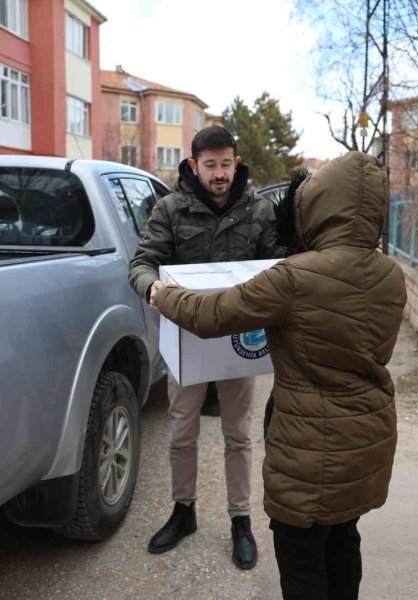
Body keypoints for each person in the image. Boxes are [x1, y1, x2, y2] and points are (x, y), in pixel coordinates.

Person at [151, 151, 407, 599]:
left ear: (321, 207)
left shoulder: (293, 277)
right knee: (343, 537)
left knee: (302, 556)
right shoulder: (390, 274)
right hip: (367, 440)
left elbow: (212, 314)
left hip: (307, 448)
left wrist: (164, 295)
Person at [128, 125, 280, 569]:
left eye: (226, 164)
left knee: (239, 433)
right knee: (181, 430)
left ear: (236, 162)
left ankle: (241, 520)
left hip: (239, 339)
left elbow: (279, 266)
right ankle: (184, 511)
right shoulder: (171, 209)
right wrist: (151, 287)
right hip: (186, 337)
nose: (219, 174)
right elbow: (142, 262)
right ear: (194, 165)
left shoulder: (258, 210)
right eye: (210, 165)